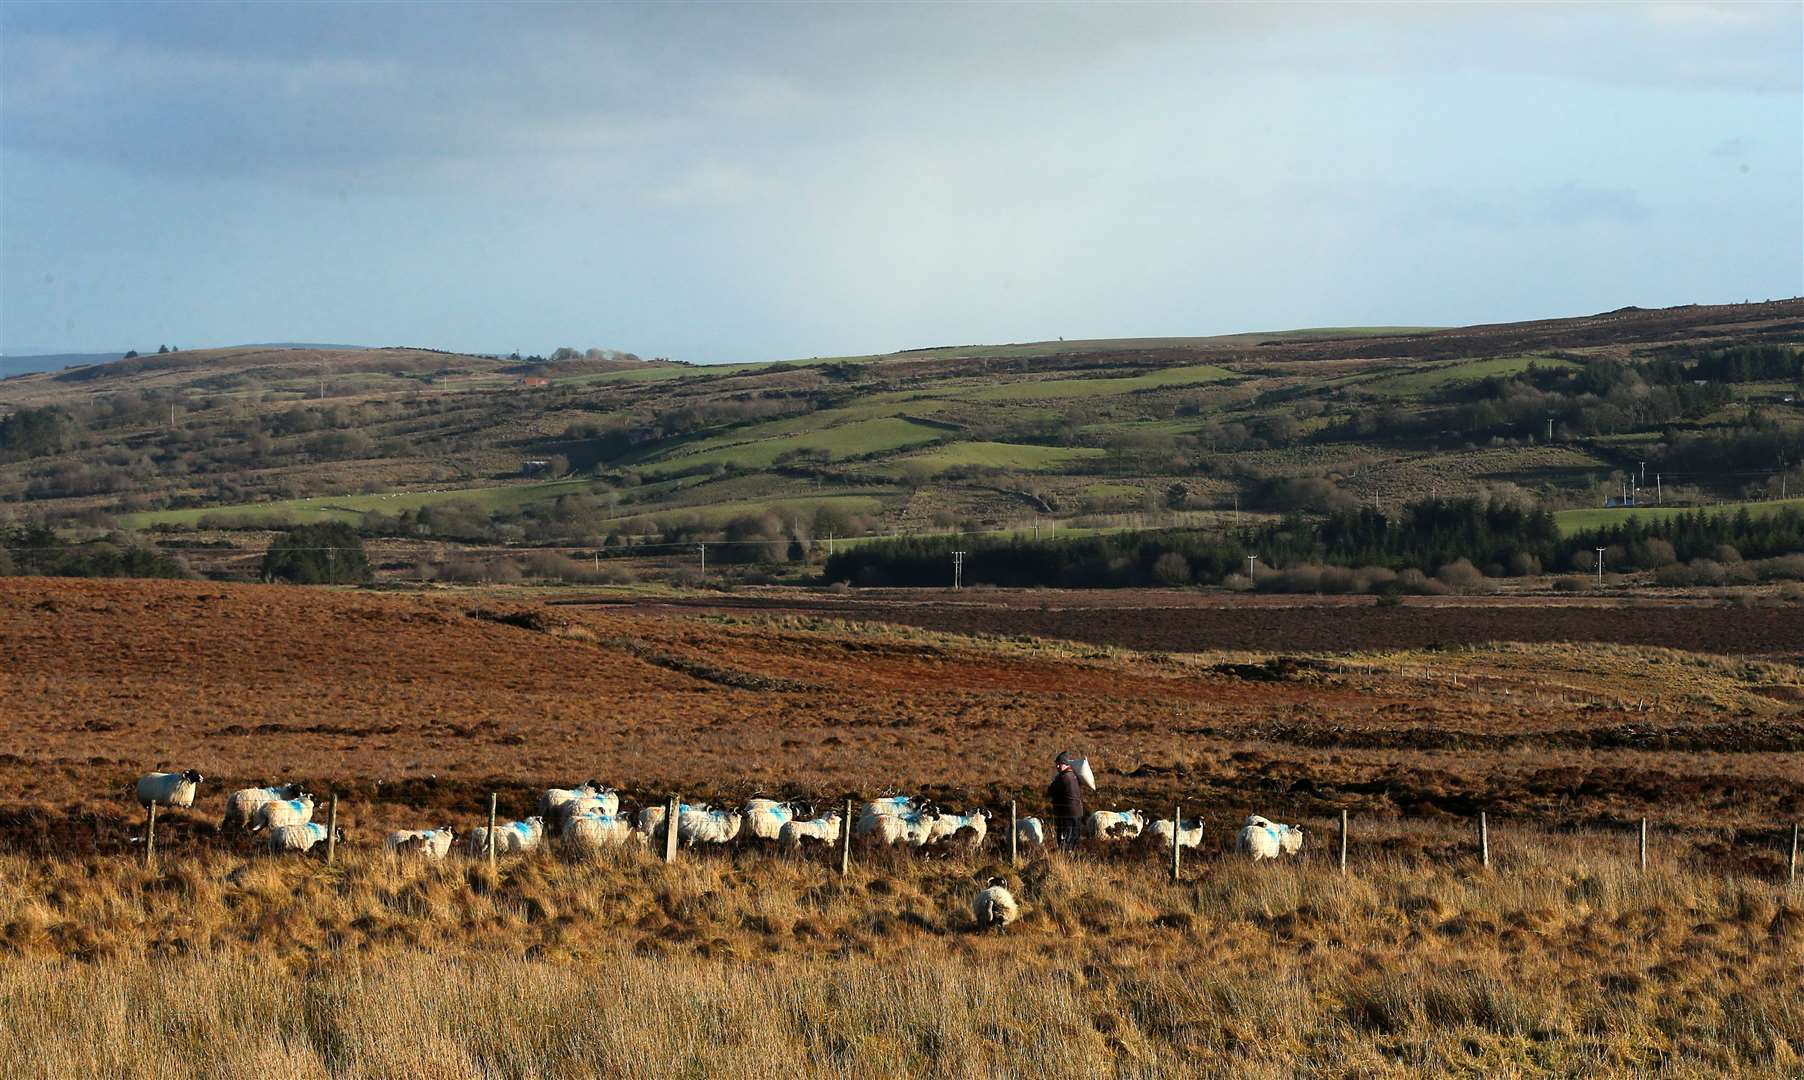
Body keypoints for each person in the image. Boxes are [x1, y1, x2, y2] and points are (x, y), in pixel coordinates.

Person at [1047, 750, 1085, 850]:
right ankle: (1071, 861)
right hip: (1077, 813)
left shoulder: (1062, 778)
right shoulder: (1074, 775)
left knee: (1065, 841)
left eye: (1060, 764)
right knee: (1074, 840)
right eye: (1057, 764)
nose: (1057, 766)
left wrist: (1053, 782)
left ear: (1066, 764)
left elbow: (1050, 791)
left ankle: (1064, 861)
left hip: (1066, 814)